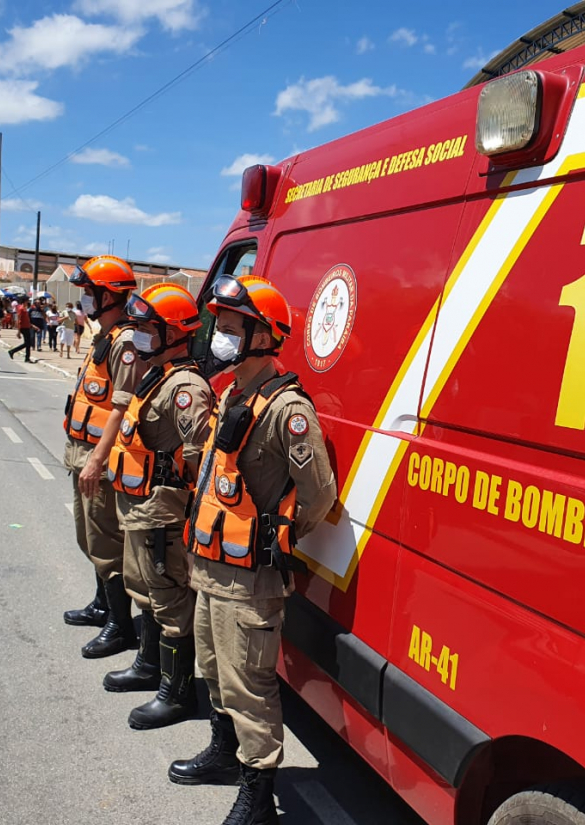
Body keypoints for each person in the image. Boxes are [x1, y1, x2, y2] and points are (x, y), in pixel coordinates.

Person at [168, 276, 336, 824]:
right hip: (211, 568)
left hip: (249, 579)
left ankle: (259, 795)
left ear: (262, 336)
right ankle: (223, 752)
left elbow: (319, 495)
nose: (219, 335)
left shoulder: (288, 409)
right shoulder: (231, 394)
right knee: (216, 672)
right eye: (219, 325)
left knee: (250, 685)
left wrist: (277, 538)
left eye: (231, 327)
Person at [102, 284, 214, 730]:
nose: (139, 337)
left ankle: (178, 692)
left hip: (162, 513)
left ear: (174, 332)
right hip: (140, 508)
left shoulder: (185, 386)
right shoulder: (157, 373)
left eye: (149, 329)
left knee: (170, 602)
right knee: (144, 590)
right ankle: (149, 665)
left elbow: (198, 455)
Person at [62, 255, 150, 657]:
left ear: (110, 296)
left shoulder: (126, 342)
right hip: (81, 453)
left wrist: (97, 459)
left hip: (101, 459)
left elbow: (121, 406)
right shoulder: (104, 335)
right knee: (88, 536)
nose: (84, 300)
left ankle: (119, 626)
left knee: (106, 543)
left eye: (90, 293)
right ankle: (102, 605)